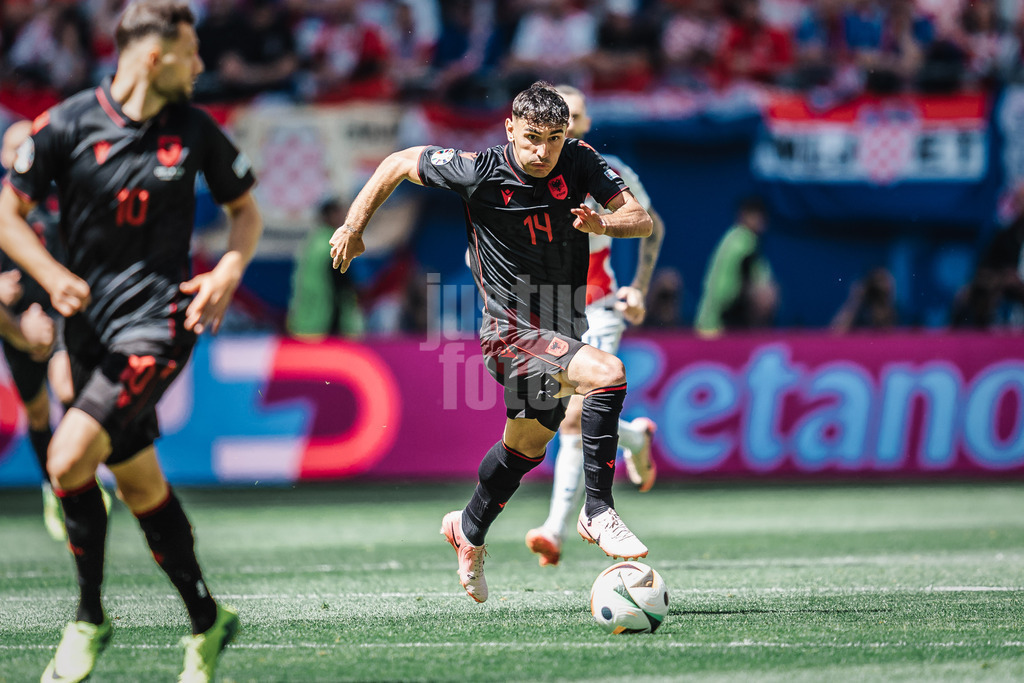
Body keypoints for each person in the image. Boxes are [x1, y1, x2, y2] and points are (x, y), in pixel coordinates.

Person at [0, 2, 263, 681]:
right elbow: (6, 213)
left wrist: (229, 269)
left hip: (160, 322)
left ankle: (88, 615)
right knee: (141, 480)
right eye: (192, 51)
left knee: (66, 459)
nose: (201, 64)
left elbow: (245, 212)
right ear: (154, 55)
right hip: (87, 326)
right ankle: (207, 622)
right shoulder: (65, 124)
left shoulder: (196, 130)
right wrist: (51, 276)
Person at [330, 81, 653, 603]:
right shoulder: (479, 170)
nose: (543, 151)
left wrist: (605, 222)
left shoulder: (581, 161)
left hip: (561, 326)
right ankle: (598, 512)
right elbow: (396, 162)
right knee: (608, 373)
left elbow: (640, 220)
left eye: (553, 138)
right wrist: (353, 225)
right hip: (510, 333)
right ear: (509, 130)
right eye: (531, 138)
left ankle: (468, 528)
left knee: (524, 448)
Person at [524, 84, 665, 568]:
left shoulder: (609, 173)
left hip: (598, 305)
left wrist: (639, 286)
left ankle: (555, 527)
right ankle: (636, 438)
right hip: (548, 310)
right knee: (564, 419)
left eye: (577, 116)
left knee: (571, 416)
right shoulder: (527, 170)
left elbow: (653, 225)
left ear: (581, 124)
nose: (572, 122)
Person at [2, 119, 102, 543]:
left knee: (66, 388)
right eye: (16, 145)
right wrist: (20, 328)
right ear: (6, 158)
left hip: (61, 315)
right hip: (13, 323)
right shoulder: (7, 209)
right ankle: (54, 487)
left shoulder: (63, 198)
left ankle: (77, 478)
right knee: (38, 413)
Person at [695, 196, 778, 336]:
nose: (761, 222)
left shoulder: (735, 239)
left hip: (714, 323)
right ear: (743, 216)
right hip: (720, 325)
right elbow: (757, 289)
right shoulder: (743, 240)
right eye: (756, 215)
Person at [286, 196, 364, 339]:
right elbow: (341, 282)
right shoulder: (335, 242)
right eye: (341, 214)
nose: (345, 218)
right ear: (330, 216)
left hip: (308, 318)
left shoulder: (313, 241)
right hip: (326, 319)